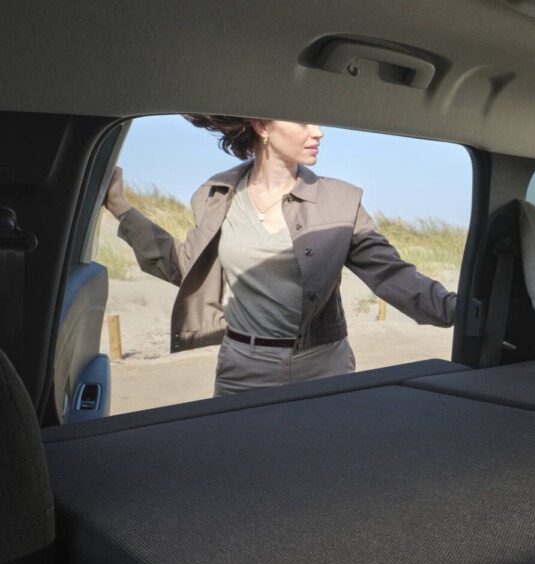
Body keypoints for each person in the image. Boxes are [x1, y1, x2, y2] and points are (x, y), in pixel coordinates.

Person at [103, 115, 457, 396]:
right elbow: (184, 266)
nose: (318, 131)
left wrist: (460, 309)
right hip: (242, 368)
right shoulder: (216, 196)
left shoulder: (341, 201)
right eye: (303, 122)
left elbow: (392, 275)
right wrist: (120, 207)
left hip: (324, 367)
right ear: (263, 127)